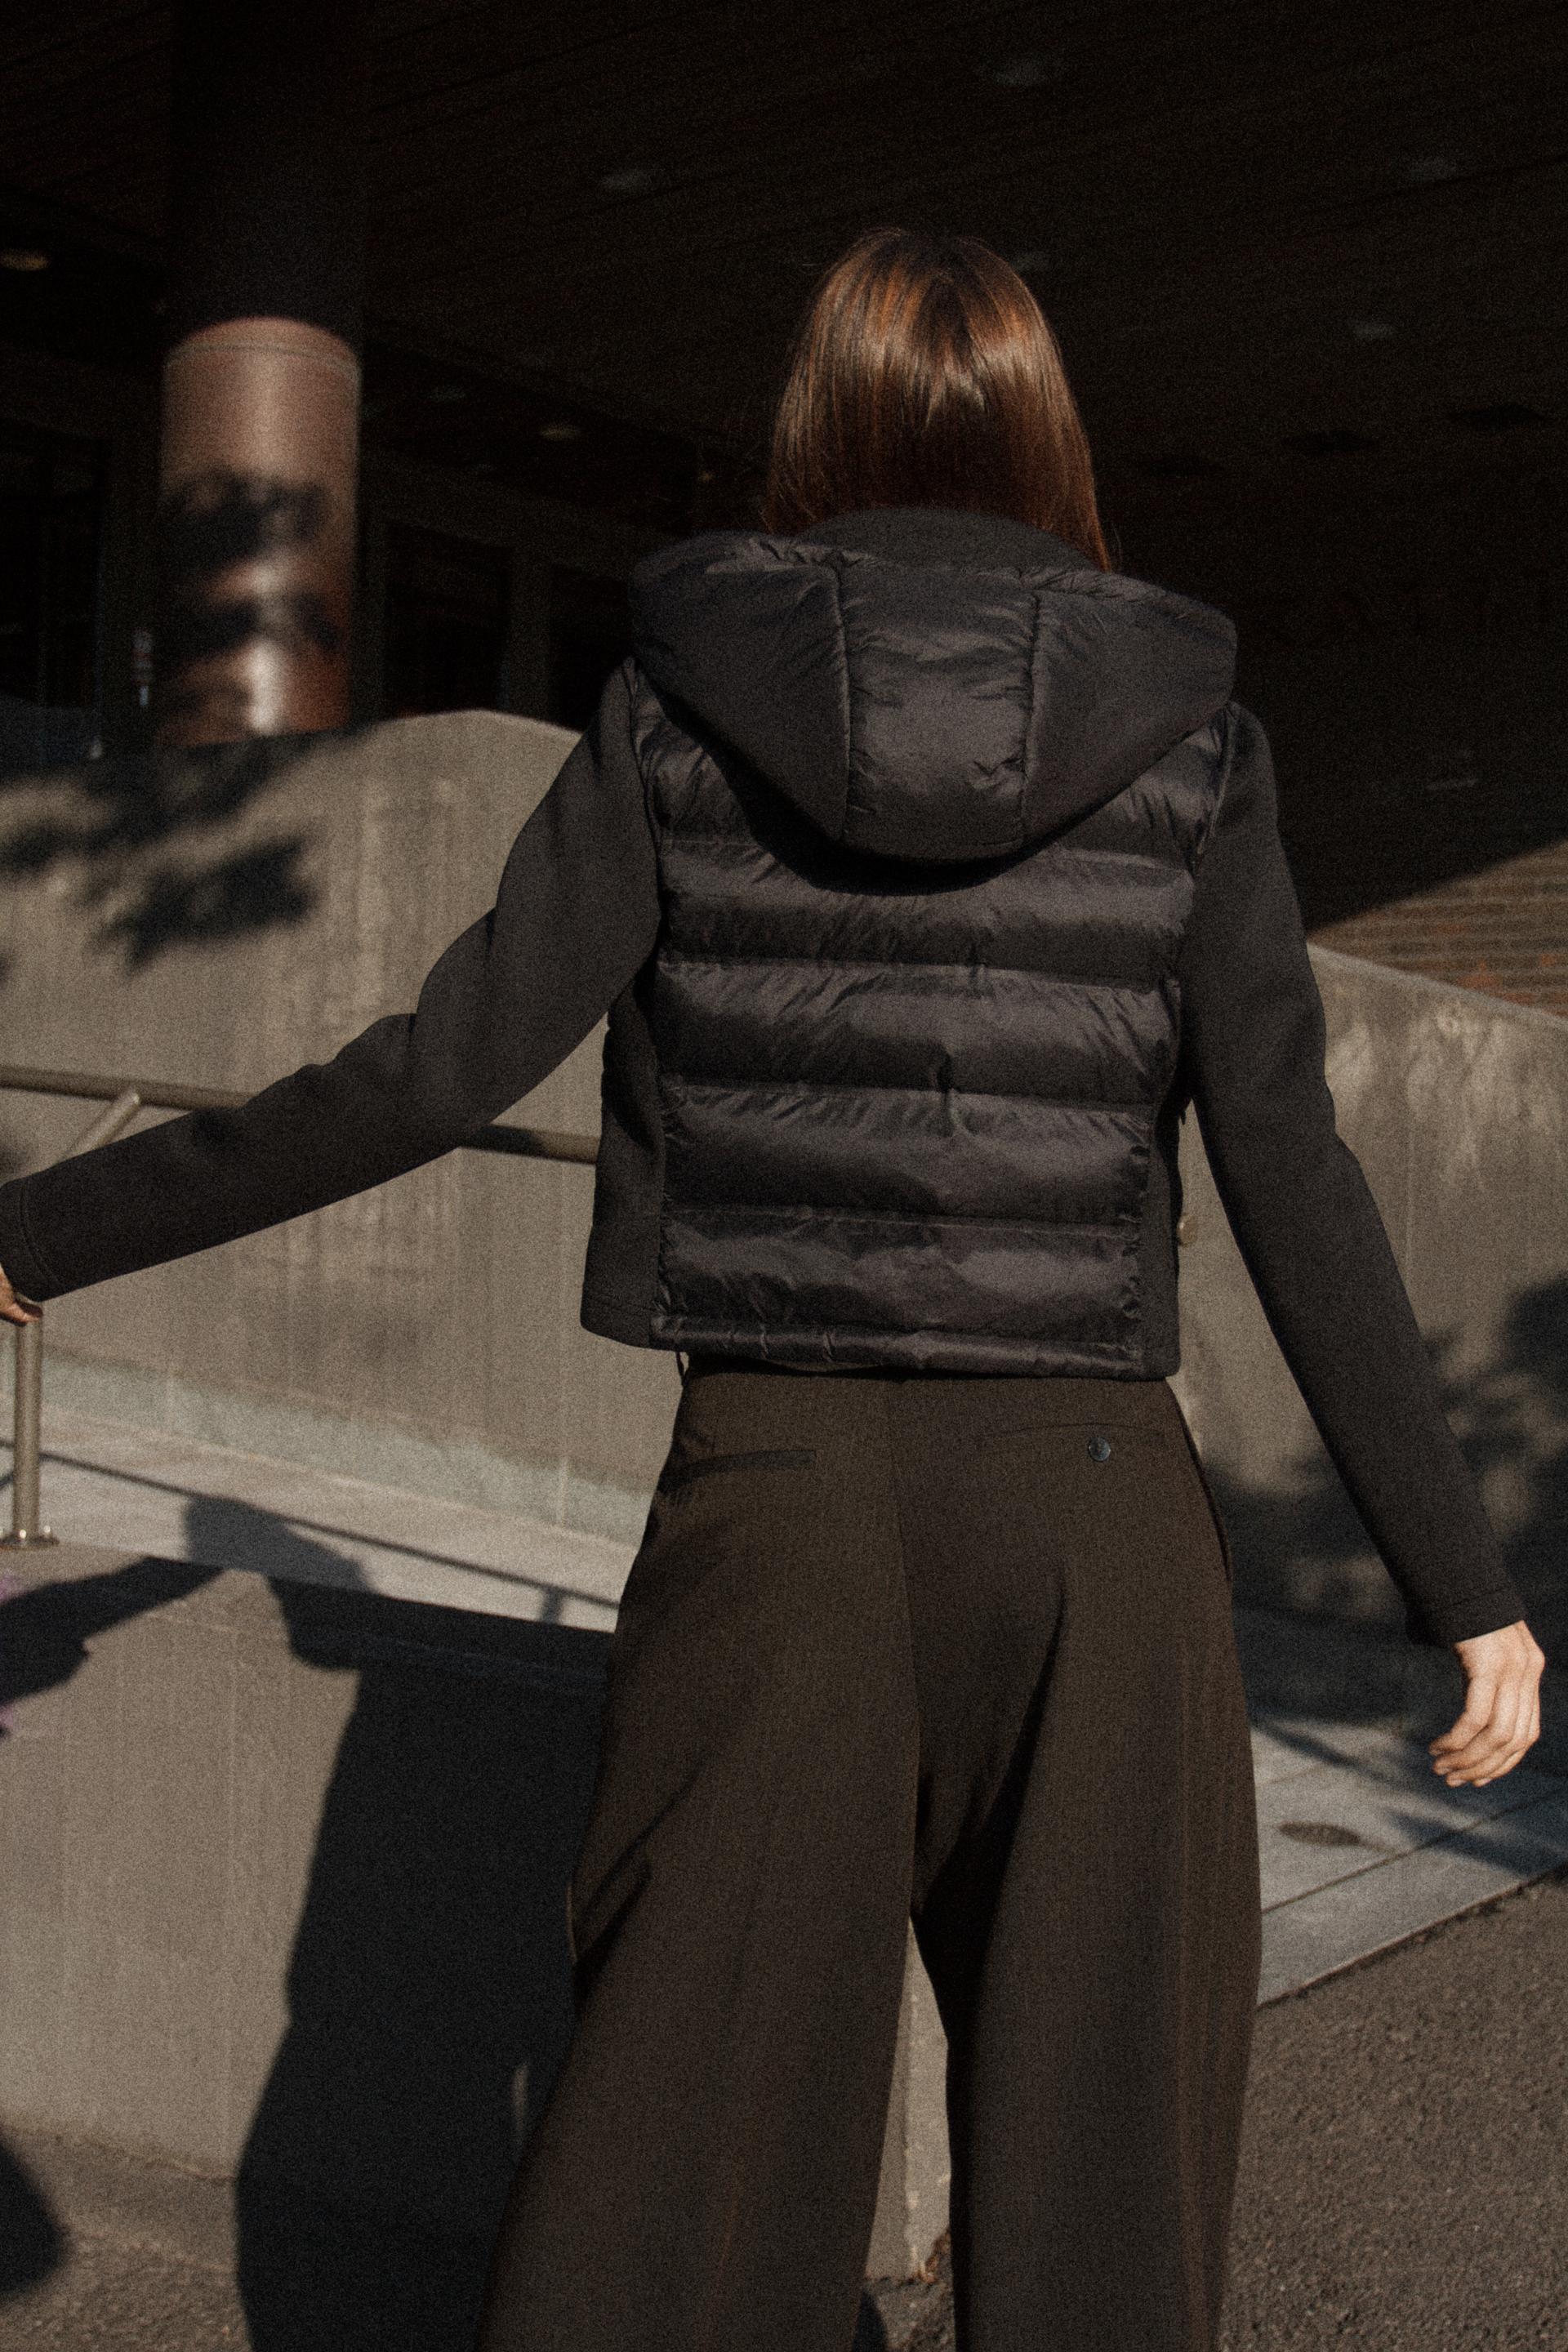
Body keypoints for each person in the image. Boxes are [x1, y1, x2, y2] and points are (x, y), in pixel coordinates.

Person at [0, 228, 1545, 2352]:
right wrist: (1464, 1582)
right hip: (1090, 1526)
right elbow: (1290, 1163)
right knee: (1101, 2197)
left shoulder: (677, 706)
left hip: (775, 1505)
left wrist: (38, 1237)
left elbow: (435, 1074)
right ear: (1048, 437)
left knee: (680, 2196)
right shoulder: (1192, 742)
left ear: (817, 423)